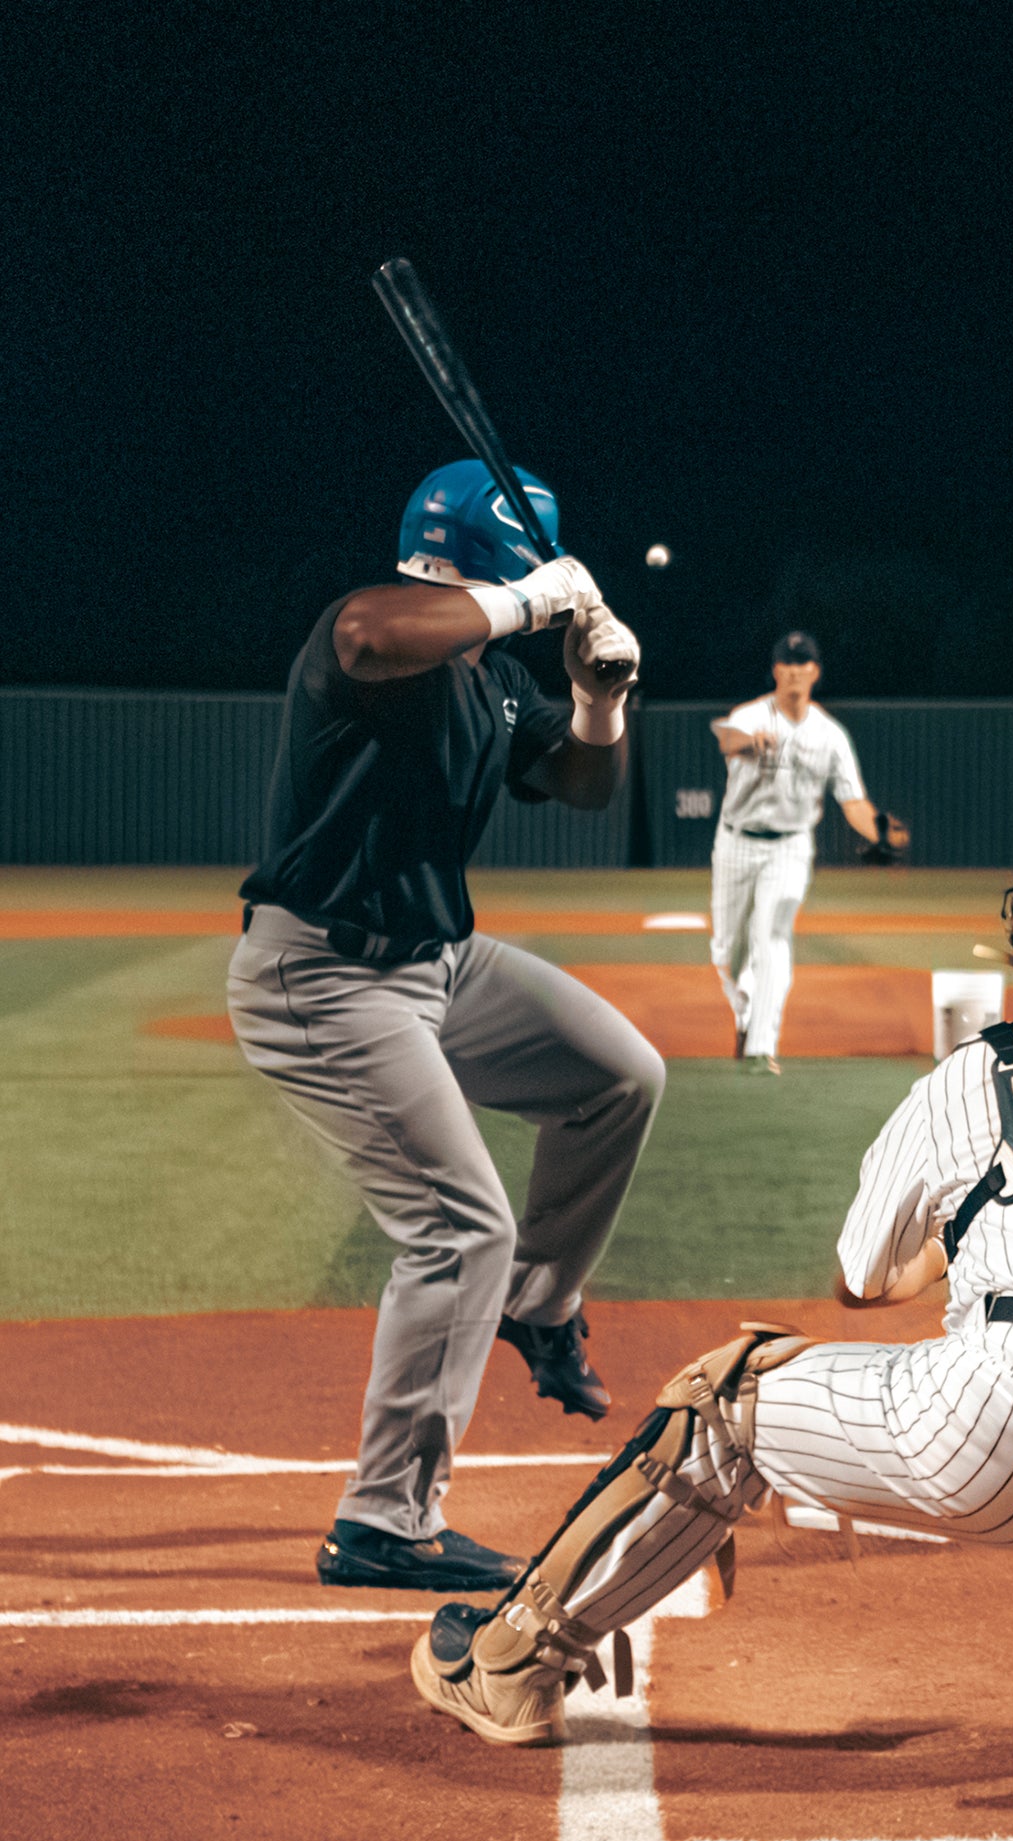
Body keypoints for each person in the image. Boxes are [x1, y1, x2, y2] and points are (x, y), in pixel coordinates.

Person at [406, 830, 1013, 1825]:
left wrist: (962, 1238)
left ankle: (515, 1662)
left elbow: (861, 1278)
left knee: (725, 1403)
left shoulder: (971, 1075)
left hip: (1000, 1420)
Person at [228, 459, 666, 1594]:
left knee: (620, 1072)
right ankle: (384, 1518)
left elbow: (578, 786)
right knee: (459, 1225)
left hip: (437, 963)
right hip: (322, 975)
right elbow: (372, 632)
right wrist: (532, 600)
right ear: (514, 569)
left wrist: (599, 702)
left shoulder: (491, 679)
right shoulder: (373, 636)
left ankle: (542, 1303)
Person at [708, 632, 900, 1074]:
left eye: (803, 662)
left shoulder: (830, 734)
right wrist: (751, 743)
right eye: (787, 662)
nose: (795, 670)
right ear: (776, 670)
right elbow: (726, 741)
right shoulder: (750, 715)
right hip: (737, 841)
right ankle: (743, 1013)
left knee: (773, 935)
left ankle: (761, 1046)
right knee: (728, 950)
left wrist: (879, 833)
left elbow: (852, 800)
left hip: (791, 846)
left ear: (815, 671)